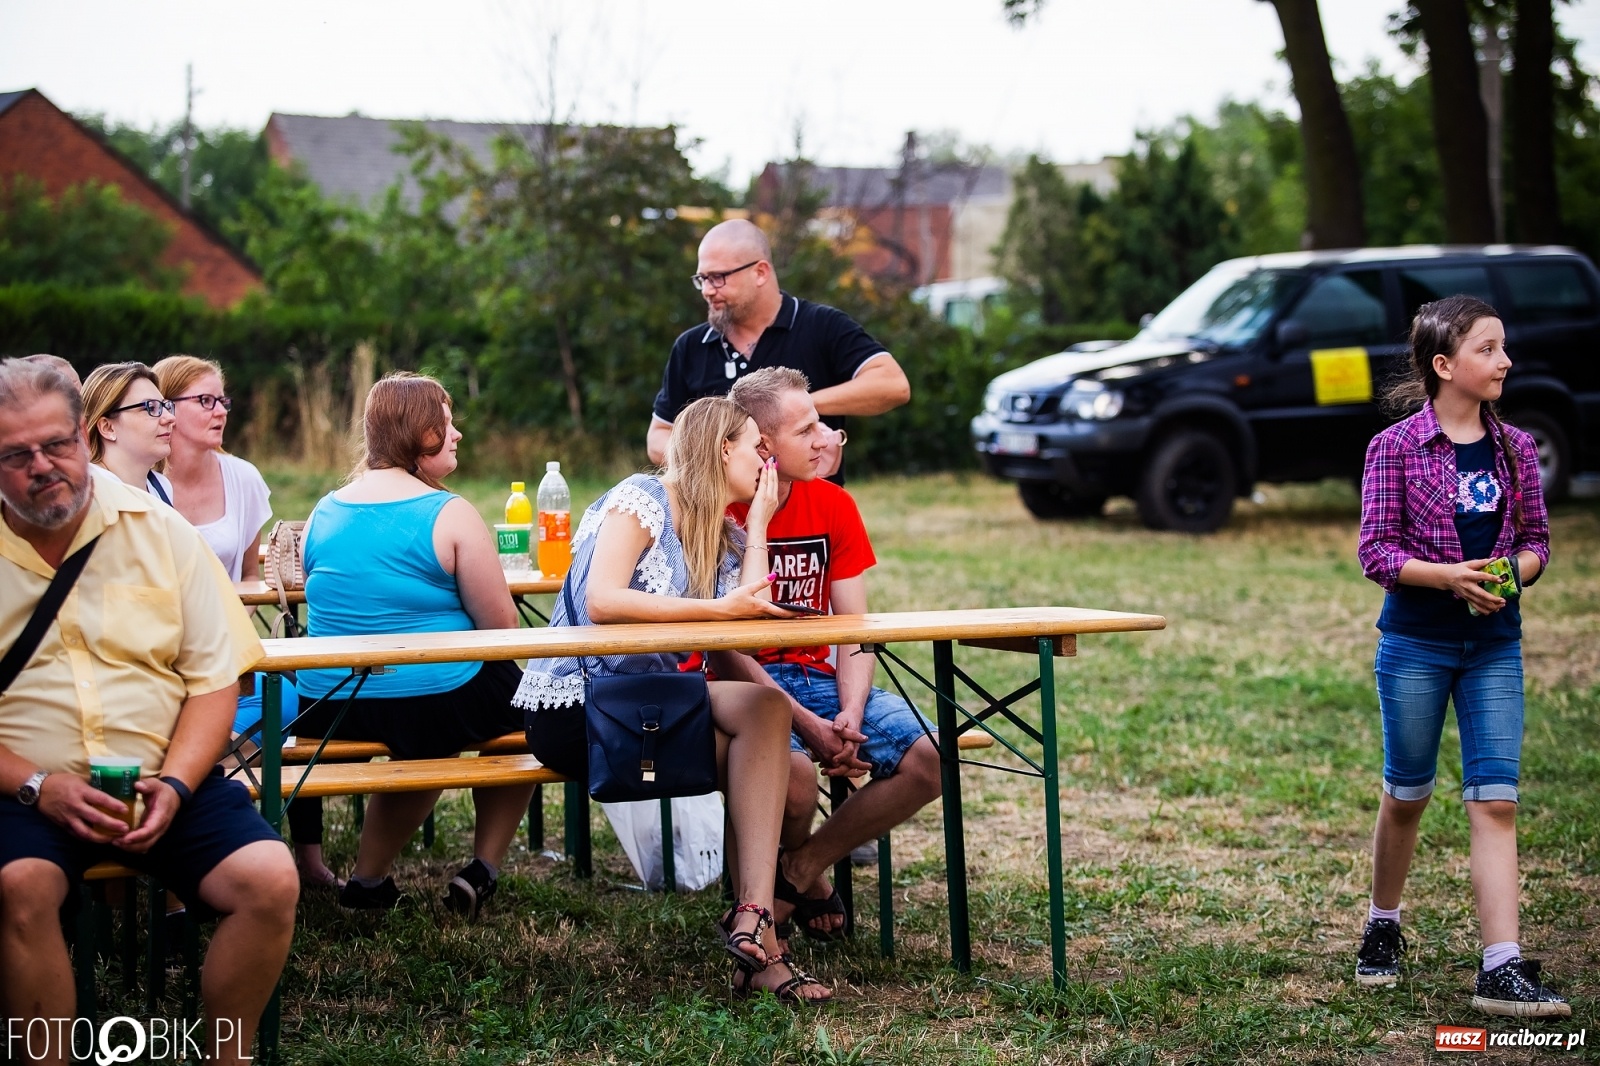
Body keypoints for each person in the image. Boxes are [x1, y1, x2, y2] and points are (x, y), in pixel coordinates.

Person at [0, 358, 297, 1066]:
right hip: (23, 788)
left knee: (269, 879)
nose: (44, 467)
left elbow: (213, 678)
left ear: (84, 432)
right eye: (17, 454)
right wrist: (38, 785)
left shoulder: (158, 530)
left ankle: (228, 1056)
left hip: (164, 778)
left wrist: (178, 784)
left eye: (57, 444)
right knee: (20, 885)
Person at [514, 396, 832, 1004]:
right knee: (771, 766)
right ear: (721, 450)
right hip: (581, 709)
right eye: (757, 448)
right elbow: (604, 601)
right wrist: (716, 609)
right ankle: (765, 950)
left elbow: (742, 622)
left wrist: (761, 525)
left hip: (652, 705)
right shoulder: (642, 499)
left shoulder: (728, 531)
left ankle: (753, 920)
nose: (769, 462)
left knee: (771, 728)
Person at [1353, 295, 1567, 1017]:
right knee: (1408, 795)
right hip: (1415, 643)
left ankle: (1499, 968)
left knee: (1496, 800)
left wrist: (1510, 575)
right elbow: (1375, 551)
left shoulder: (1517, 449)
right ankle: (1383, 924)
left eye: (1504, 347)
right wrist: (1447, 578)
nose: (1504, 361)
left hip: (1494, 647)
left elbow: (1536, 541)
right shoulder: (1395, 450)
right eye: (1487, 349)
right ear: (1444, 365)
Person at [291, 372, 534, 918]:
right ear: (419, 433)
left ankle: (369, 883)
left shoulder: (321, 512)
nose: (457, 435)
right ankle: (483, 868)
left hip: (328, 703)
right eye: (447, 423)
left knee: (435, 727)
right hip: (430, 700)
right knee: (529, 707)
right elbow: (502, 630)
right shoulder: (449, 514)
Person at [721, 367, 941, 942]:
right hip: (744, 679)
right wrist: (807, 726)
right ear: (762, 446)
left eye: (824, 424)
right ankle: (772, 888)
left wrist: (848, 709)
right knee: (794, 783)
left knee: (931, 758)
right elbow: (721, 649)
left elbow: (854, 628)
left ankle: (801, 867)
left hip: (816, 675)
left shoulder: (834, 504)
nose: (827, 439)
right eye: (808, 429)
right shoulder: (721, 511)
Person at [646, 219, 910, 478]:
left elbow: (892, 385)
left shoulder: (821, 325)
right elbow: (658, 437)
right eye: (702, 278)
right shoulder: (691, 347)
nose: (706, 290)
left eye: (717, 278)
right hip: (722, 520)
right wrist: (716, 456)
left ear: (760, 272)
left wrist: (794, 409)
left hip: (813, 517)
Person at [81, 361, 176, 502]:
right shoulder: (89, 495)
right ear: (107, 427)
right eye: (150, 407)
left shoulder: (161, 487)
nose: (170, 417)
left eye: (165, 406)